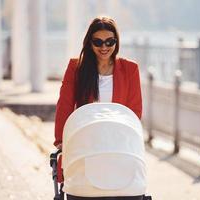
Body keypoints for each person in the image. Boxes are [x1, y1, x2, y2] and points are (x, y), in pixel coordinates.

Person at [53, 16, 143, 199]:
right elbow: (65, 105)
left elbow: (134, 110)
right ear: (89, 42)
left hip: (117, 141)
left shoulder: (130, 69)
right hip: (87, 140)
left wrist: (130, 138)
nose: (104, 47)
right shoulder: (76, 68)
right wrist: (62, 140)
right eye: (98, 42)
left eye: (110, 41)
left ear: (116, 42)